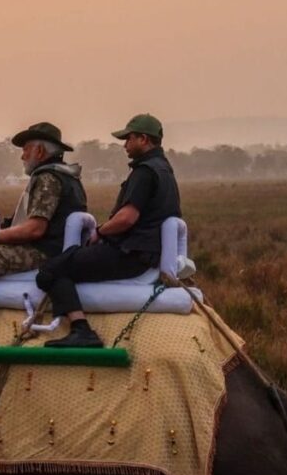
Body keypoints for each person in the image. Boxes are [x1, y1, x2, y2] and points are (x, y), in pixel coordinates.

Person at [35, 113, 181, 347]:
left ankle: (81, 330)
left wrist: (101, 232)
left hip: (129, 253)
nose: (125, 145)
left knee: (51, 269)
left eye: (129, 138)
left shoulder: (144, 171)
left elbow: (127, 217)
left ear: (143, 139)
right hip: (146, 253)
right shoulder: (164, 169)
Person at [0, 122, 87, 349]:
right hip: (58, 249)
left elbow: (35, 229)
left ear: (40, 151)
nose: (22, 156)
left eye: (26, 149)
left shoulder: (48, 179)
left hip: (43, 251)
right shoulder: (69, 176)